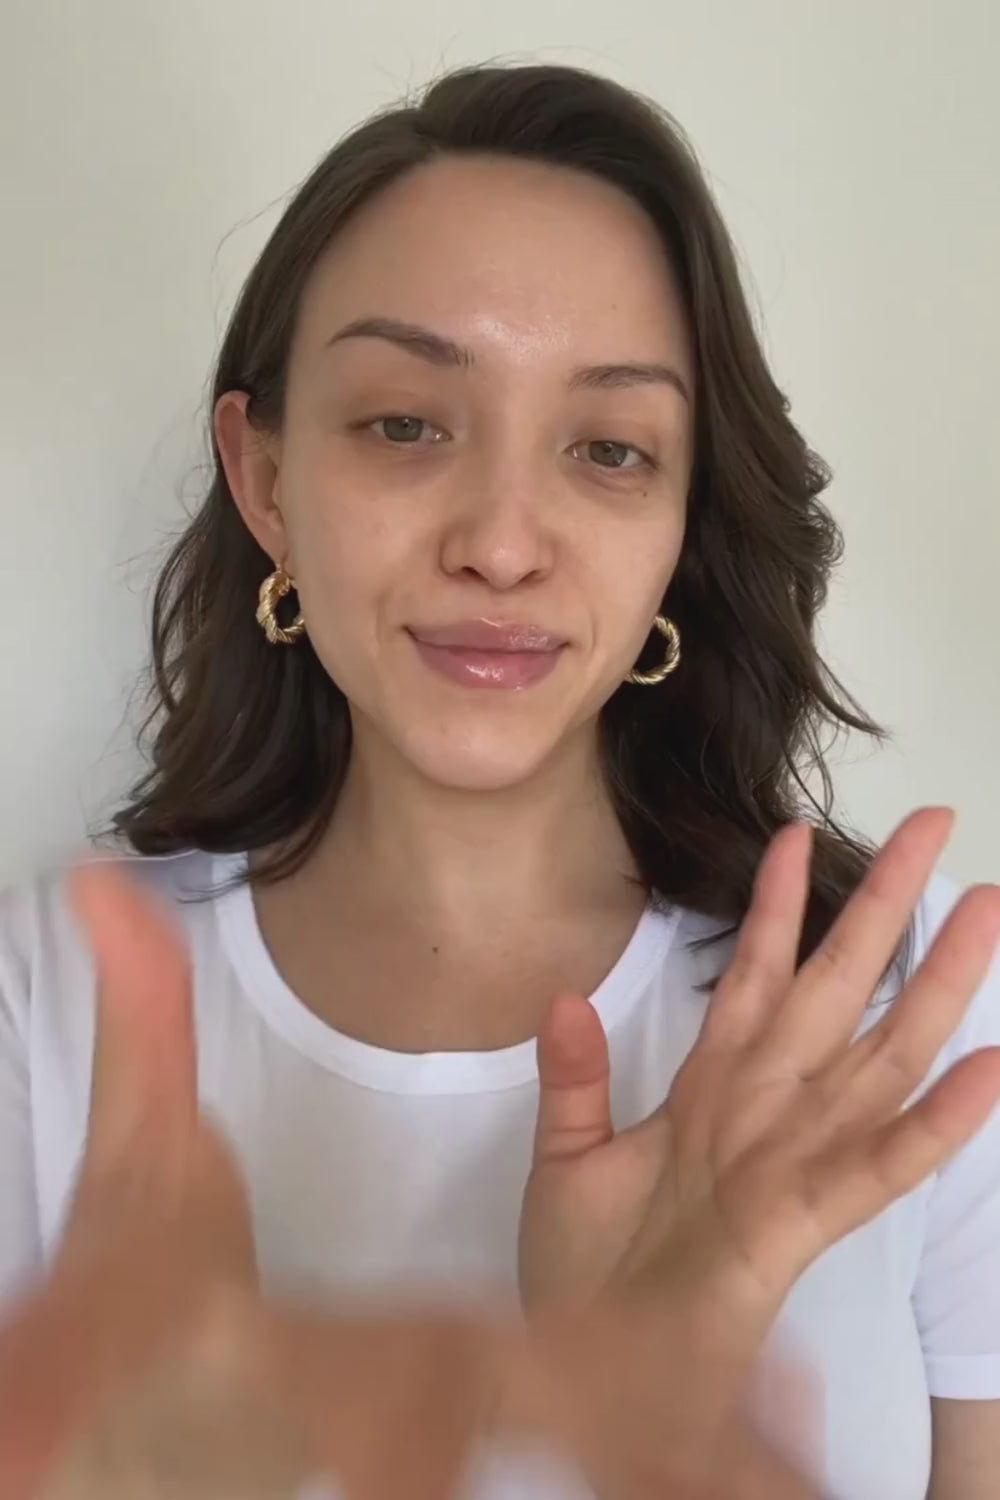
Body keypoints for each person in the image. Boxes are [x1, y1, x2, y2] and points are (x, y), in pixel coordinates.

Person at [1, 59, 998, 1500]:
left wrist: (661, 1438)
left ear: (683, 521)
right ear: (265, 481)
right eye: (406, 424)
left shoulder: (910, 1020)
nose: (504, 545)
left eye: (610, 449)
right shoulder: (40, 1005)